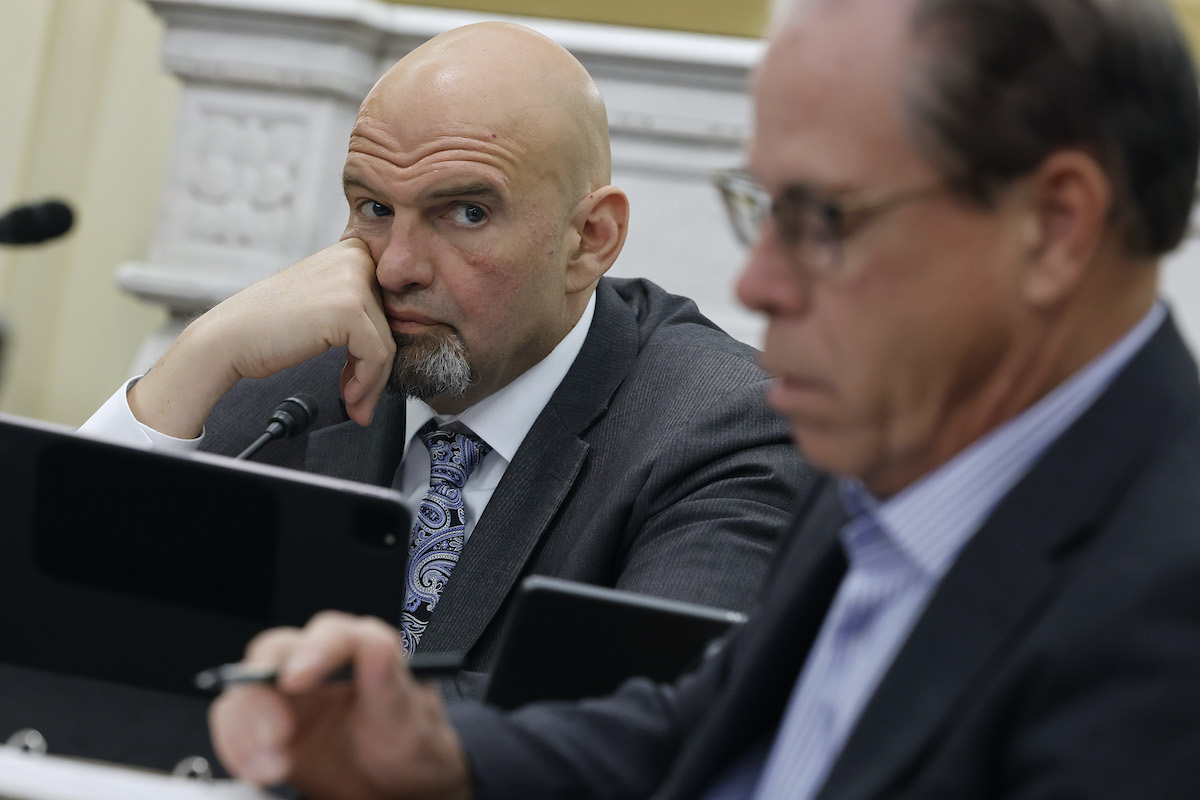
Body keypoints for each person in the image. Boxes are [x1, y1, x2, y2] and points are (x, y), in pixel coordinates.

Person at [205, 0, 1200, 797]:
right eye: (762, 208)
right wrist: (435, 756)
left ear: (1057, 227)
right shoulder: (892, 472)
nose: (758, 282)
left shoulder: (1165, 600)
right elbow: (697, 731)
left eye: (821, 218)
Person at [80, 22, 807, 699]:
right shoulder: (298, 368)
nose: (395, 268)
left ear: (590, 238)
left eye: (466, 214)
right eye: (372, 208)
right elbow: (55, 607)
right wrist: (198, 358)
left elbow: (634, 731)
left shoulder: (725, 427)